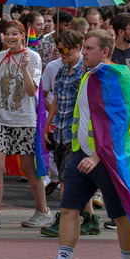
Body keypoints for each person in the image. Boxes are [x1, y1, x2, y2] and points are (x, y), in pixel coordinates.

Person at [28, 30, 130, 259]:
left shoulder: (118, 76)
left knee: (120, 215)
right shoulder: (89, 74)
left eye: (89, 48)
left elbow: (121, 123)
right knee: (68, 209)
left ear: (104, 51)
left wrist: (96, 156)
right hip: (81, 155)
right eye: (84, 47)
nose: (84, 52)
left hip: (107, 160)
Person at [0, 19, 51, 229]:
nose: (10, 38)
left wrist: (24, 68)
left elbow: (31, 91)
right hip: (2, 119)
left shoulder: (33, 57)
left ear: (23, 35)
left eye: (14, 34)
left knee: (28, 168)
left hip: (25, 121)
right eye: (7, 34)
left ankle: (43, 211)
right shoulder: (0, 57)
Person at [41, 30, 99, 237]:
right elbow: (56, 100)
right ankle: (90, 218)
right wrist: (48, 124)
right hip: (60, 130)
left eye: (65, 50)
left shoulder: (86, 72)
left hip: (76, 134)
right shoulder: (62, 71)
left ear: (77, 48)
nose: (61, 54)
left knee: (67, 179)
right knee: (71, 178)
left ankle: (65, 218)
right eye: (59, 50)